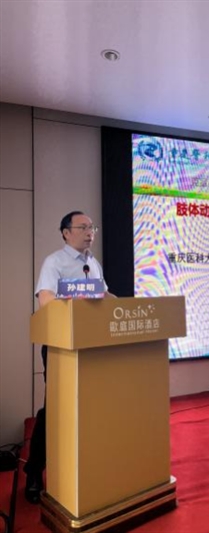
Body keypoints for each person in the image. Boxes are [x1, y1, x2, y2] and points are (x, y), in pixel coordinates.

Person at [24, 211, 115, 504]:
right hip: (61, 346)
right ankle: (34, 471)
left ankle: (85, 467)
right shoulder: (54, 262)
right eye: (83, 227)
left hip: (91, 345)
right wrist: (75, 302)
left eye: (92, 227)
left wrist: (129, 308)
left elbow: (104, 297)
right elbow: (46, 301)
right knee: (54, 409)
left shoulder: (93, 263)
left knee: (90, 407)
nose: (90, 232)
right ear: (66, 232)